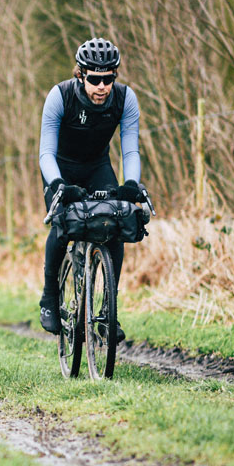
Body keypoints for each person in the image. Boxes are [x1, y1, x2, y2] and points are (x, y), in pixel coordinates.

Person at [38, 37, 146, 337]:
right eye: (95, 79)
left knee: (118, 220)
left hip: (98, 167)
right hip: (61, 168)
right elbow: (45, 151)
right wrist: (59, 184)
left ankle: (107, 312)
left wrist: (131, 185)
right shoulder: (60, 96)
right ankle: (49, 297)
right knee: (61, 225)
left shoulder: (125, 99)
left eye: (108, 78)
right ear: (80, 74)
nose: (102, 86)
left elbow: (131, 150)